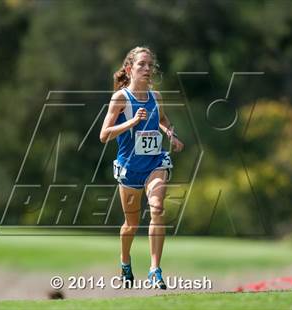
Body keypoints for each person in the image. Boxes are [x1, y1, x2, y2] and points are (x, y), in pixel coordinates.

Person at [99, 47, 184, 289]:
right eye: (142, 65)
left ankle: (154, 269)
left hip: (155, 163)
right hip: (130, 168)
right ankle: (125, 261)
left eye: (150, 65)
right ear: (129, 69)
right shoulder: (121, 99)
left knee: (157, 207)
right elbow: (104, 135)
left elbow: (162, 120)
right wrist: (132, 121)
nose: (147, 69)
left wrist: (171, 134)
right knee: (131, 225)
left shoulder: (156, 97)